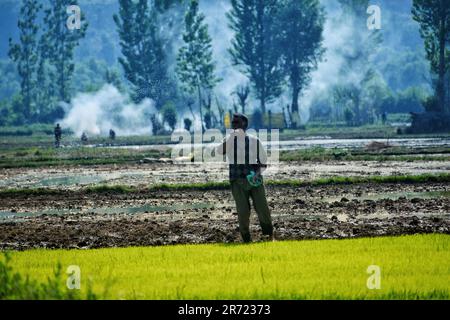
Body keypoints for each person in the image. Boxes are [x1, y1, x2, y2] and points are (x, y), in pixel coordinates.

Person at [216, 113, 274, 243]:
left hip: (254, 180)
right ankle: (246, 239)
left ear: (245, 125)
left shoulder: (254, 141)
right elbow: (220, 151)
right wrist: (231, 138)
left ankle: (269, 236)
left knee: (262, 209)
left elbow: (263, 163)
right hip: (237, 181)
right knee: (243, 212)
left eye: (237, 123)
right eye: (233, 123)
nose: (234, 125)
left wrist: (257, 175)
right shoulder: (229, 140)